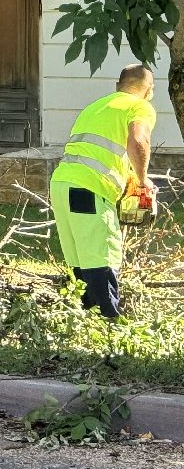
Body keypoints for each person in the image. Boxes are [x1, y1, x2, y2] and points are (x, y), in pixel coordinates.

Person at [48, 64, 156, 318]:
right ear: (149, 90)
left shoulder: (95, 107)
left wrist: (127, 177)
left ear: (117, 85)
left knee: (78, 257)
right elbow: (138, 141)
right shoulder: (139, 106)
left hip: (62, 184)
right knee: (101, 254)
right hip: (89, 188)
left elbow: (98, 152)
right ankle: (109, 318)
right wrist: (142, 181)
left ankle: (84, 315)